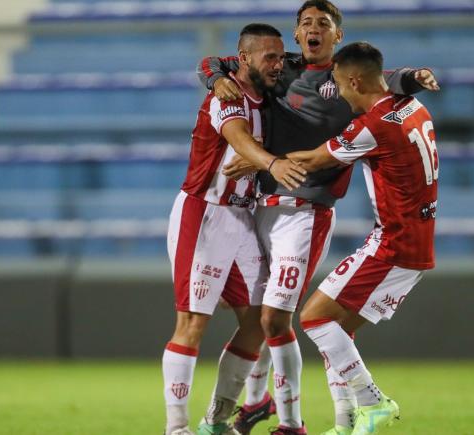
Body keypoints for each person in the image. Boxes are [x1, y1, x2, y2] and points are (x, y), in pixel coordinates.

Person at [197, 2, 439, 434]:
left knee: (287, 318)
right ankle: (317, 416)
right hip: (260, 209)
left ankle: (294, 423)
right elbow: (216, 63)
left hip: (308, 212)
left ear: (337, 36)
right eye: (306, 23)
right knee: (271, 320)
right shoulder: (279, 67)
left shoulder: (352, 91)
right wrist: (215, 78)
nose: (313, 29)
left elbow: (379, 85)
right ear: (295, 34)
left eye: (323, 24)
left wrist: (262, 162)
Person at [163, 23, 307, 435]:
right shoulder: (225, 95)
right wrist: (271, 162)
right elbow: (237, 137)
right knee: (192, 323)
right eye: (270, 57)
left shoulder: (270, 92)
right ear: (244, 59)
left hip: (242, 217)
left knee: (261, 319)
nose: (279, 64)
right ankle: (176, 428)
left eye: (281, 56)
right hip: (204, 214)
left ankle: (218, 419)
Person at [289, 41, 438, 435]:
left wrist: (259, 162)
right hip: (415, 241)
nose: (337, 91)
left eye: (338, 83)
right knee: (338, 329)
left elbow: (317, 159)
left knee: (314, 317)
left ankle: (374, 402)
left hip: (393, 244)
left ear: (354, 79)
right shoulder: (413, 107)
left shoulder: (371, 127)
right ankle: (345, 423)